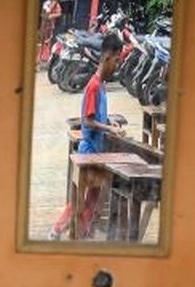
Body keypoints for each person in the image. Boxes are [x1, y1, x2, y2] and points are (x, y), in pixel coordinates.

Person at [48, 32, 125, 240]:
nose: (117, 66)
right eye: (117, 60)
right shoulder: (93, 86)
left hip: (96, 153)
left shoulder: (101, 86)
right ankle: (57, 231)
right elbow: (88, 121)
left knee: (92, 200)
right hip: (89, 153)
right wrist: (110, 130)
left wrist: (110, 123)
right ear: (107, 58)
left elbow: (97, 117)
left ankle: (82, 233)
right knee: (81, 202)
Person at [39, 0, 62, 65]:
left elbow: (59, 13)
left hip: (51, 25)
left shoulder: (56, 4)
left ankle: (48, 58)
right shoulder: (46, 3)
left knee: (50, 42)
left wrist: (52, 15)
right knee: (42, 41)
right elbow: (44, 13)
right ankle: (40, 57)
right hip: (44, 25)